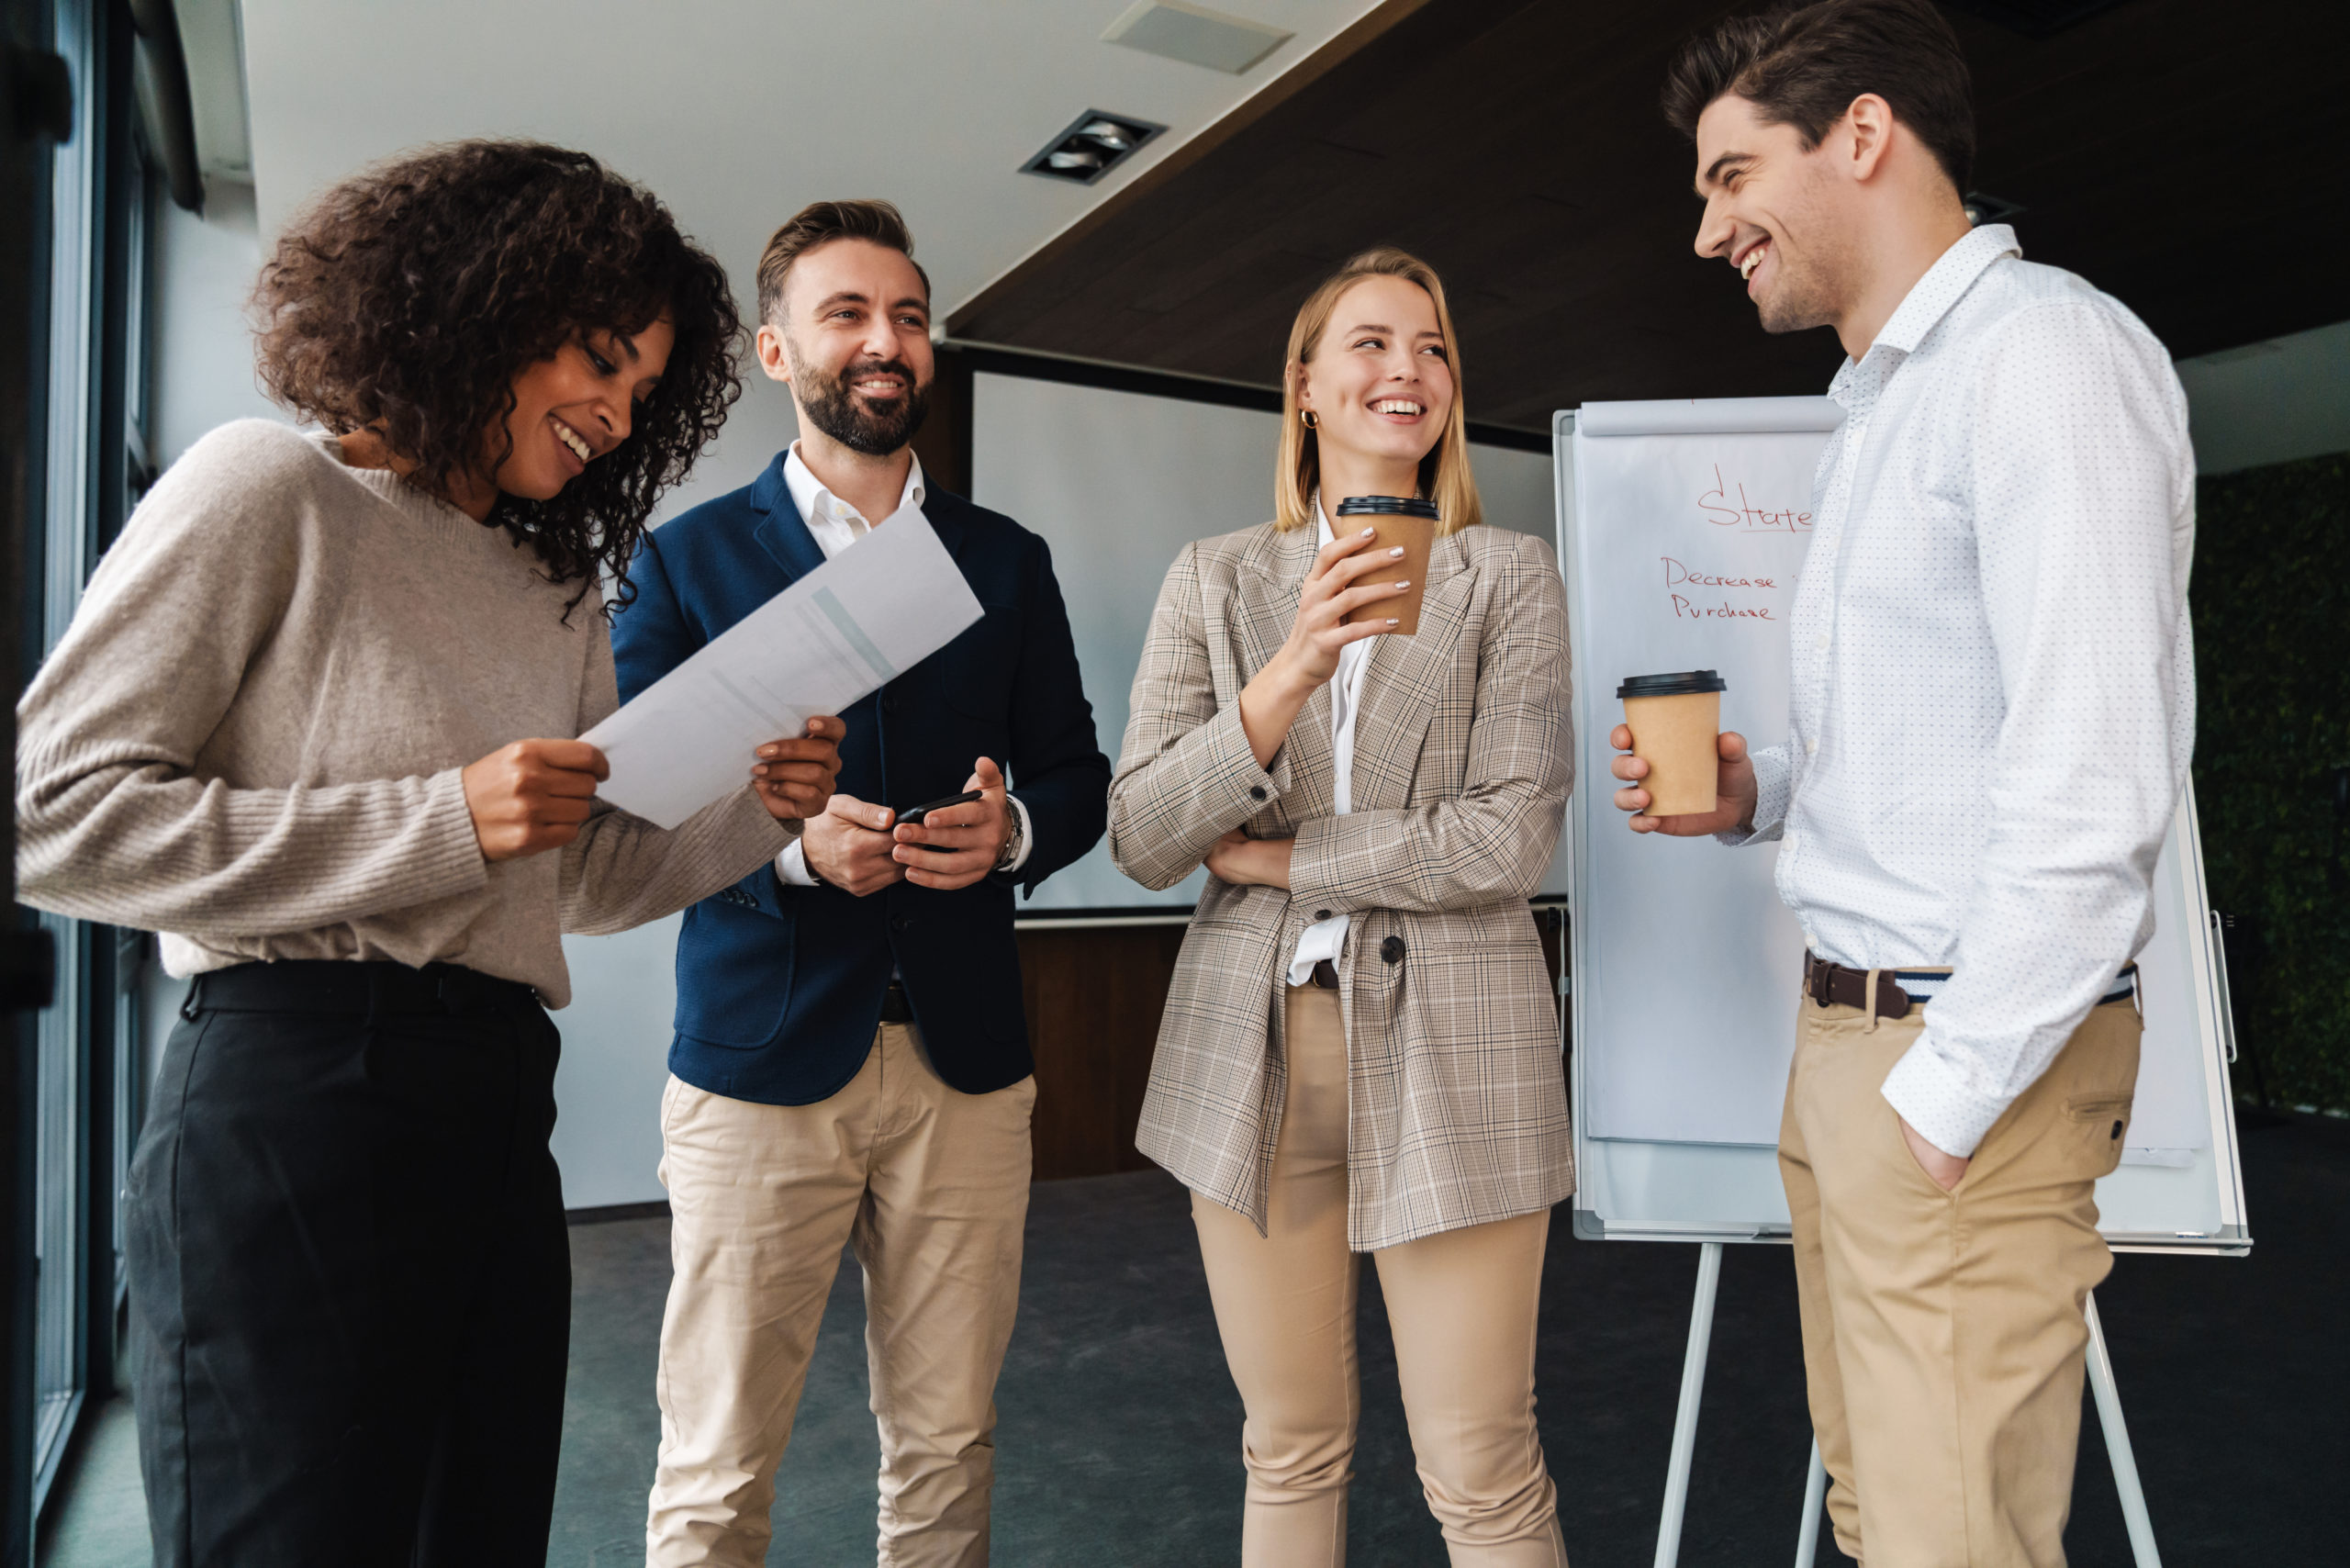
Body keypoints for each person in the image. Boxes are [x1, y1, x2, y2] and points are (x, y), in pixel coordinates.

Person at [12, 141, 844, 1565]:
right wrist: (445, 815)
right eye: (596, 358)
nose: (615, 410)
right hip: (291, 1097)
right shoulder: (267, 488)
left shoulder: (555, 586)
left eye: (643, 392)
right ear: (477, 303)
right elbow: (54, 814)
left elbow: (572, 881)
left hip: (494, 1099)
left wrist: (758, 810)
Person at [1617, 4, 2196, 1562]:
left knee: (1954, 1544)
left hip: (1957, 1064)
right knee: (1888, 1518)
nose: (1707, 229)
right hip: (1857, 1053)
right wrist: (1766, 793)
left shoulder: (2044, 362)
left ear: (1860, 136)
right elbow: (1951, 746)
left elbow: (2095, 786)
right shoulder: (1880, 405)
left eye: (1732, 177)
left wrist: (1942, 1104)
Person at [613, 198, 1109, 1568]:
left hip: (967, 1065)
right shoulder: (686, 558)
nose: (885, 342)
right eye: (847, 315)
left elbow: (1078, 775)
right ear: (779, 351)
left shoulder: (1006, 561)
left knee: (949, 1447)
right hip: (761, 1054)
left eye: (906, 315)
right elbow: (636, 808)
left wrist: (1009, 836)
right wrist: (783, 850)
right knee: (716, 1460)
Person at [1110, 247, 1574, 1566]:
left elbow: (1502, 839)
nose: (1408, 371)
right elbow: (1145, 833)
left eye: (1432, 348)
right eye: (1371, 344)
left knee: (1482, 1466)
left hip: (1460, 1049)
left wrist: (1279, 858)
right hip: (1248, 1054)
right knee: (1289, 1449)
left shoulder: (1509, 574)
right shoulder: (1219, 579)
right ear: (1305, 385)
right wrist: (1290, 672)